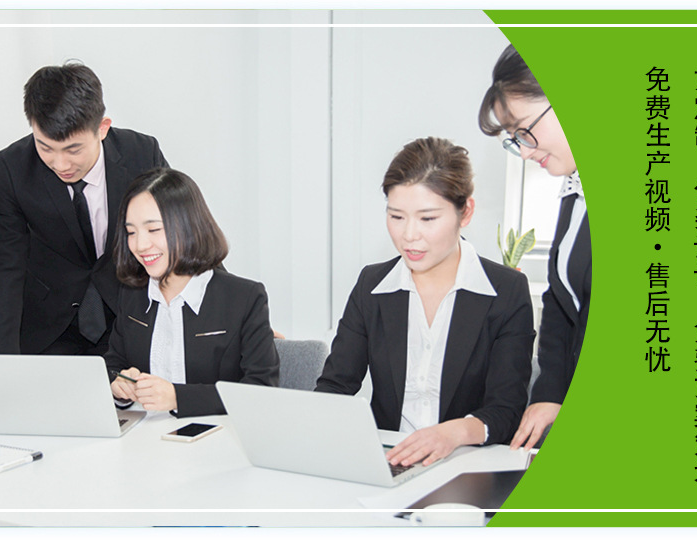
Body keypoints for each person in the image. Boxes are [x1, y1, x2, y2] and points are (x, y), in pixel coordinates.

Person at [316, 137, 535, 467]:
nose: (409, 235)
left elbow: (506, 409)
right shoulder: (371, 285)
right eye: (397, 216)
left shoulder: (506, 291)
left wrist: (452, 433)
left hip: (467, 463)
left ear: (466, 212)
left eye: (427, 219)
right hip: (389, 460)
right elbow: (336, 386)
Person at [0, 61, 170, 358]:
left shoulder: (141, 154)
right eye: (45, 148)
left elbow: (181, 234)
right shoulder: (12, 167)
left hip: (128, 316)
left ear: (102, 128)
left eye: (73, 150)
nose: (60, 165)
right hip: (49, 327)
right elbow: (5, 267)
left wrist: (232, 317)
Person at [477, 44, 589, 451]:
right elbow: (561, 300)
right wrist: (550, 392)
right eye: (514, 139)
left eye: (524, 130)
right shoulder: (574, 190)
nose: (524, 151)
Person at [104, 168, 280, 417]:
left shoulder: (245, 298)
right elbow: (113, 364)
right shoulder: (132, 294)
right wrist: (119, 385)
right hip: (144, 435)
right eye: (131, 232)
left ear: (188, 226)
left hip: (216, 435)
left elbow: (261, 391)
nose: (140, 245)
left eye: (154, 230)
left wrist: (177, 397)